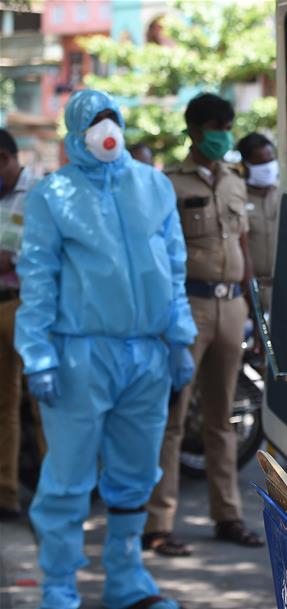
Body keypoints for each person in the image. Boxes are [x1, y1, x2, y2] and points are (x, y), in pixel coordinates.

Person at [14, 89, 196, 609]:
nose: (106, 128)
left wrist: (178, 338)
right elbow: (39, 280)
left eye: (112, 117)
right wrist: (39, 355)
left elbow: (174, 269)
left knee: (137, 471)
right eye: (94, 120)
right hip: (79, 355)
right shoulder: (53, 195)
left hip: (147, 355)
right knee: (68, 478)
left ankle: (126, 579)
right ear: (76, 132)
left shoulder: (153, 185)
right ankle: (58, 587)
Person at [144, 93, 263, 556]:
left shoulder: (234, 181)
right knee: (172, 418)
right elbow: (156, 253)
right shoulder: (168, 184)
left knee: (222, 419)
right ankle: (159, 522)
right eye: (215, 127)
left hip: (231, 305)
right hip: (187, 307)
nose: (222, 136)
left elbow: (244, 247)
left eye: (226, 126)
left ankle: (227, 516)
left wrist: (252, 309)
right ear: (194, 130)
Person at [0, 128, 38, 520]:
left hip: (27, 305)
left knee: (43, 404)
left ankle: (55, 493)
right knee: (4, 406)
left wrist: (12, 258)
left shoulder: (38, 195)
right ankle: (7, 494)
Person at [237, 132, 279, 313]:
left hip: (282, 289)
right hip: (247, 291)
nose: (268, 167)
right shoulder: (237, 197)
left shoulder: (284, 196)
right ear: (246, 165)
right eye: (260, 162)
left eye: (270, 160)